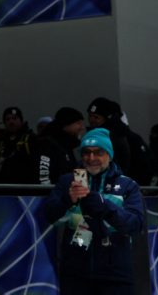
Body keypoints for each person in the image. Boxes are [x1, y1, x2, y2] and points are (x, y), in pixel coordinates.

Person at [45, 128, 145, 294]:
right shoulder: (67, 181)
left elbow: (135, 225)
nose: (91, 158)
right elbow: (50, 216)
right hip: (75, 274)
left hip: (116, 274)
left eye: (99, 152)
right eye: (86, 152)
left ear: (109, 155)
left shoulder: (127, 185)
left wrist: (105, 207)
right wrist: (68, 201)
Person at [32, 106, 85, 185]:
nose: (82, 127)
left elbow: (74, 171)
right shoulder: (46, 145)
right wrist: (52, 192)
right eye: (78, 123)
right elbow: (43, 177)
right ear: (66, 124)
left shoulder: (67, 146)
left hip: (68, 192)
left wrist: (82, 187)